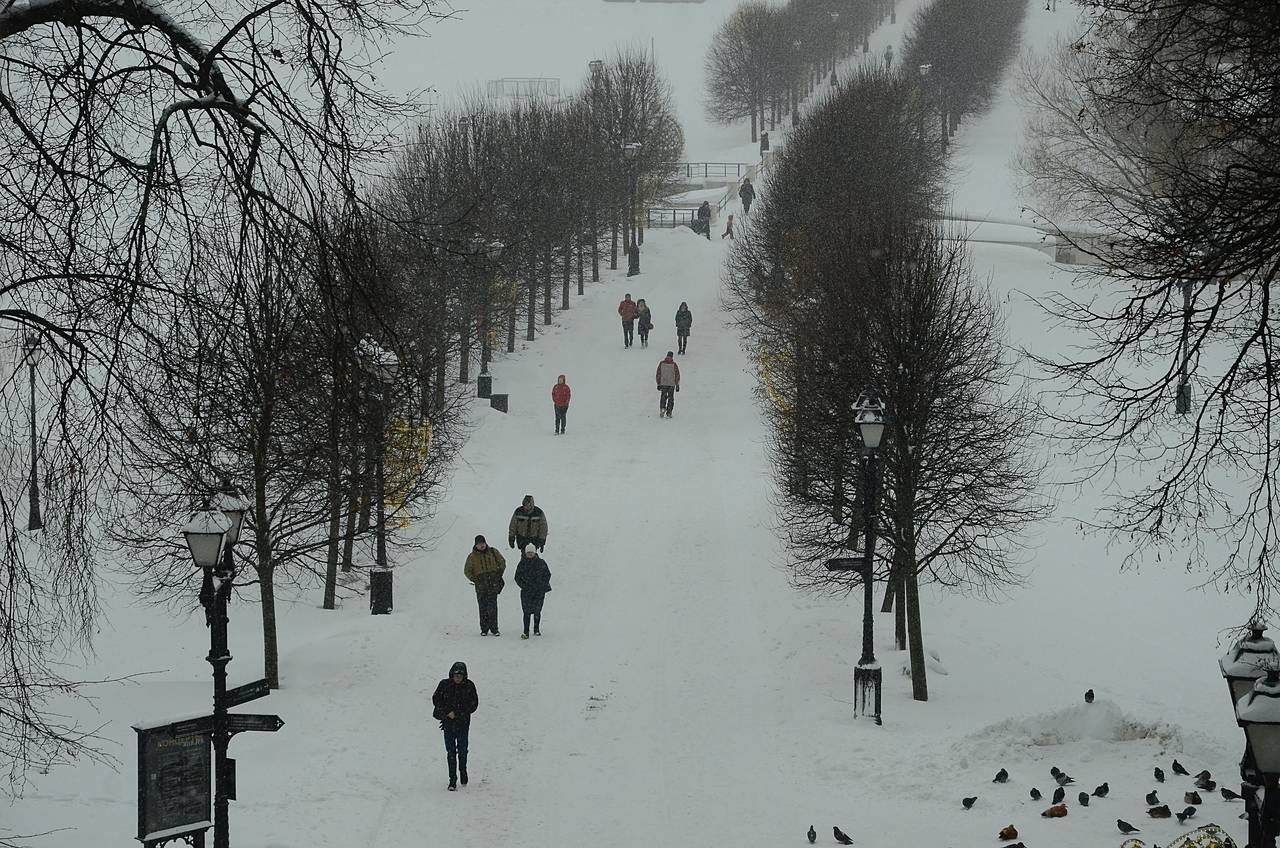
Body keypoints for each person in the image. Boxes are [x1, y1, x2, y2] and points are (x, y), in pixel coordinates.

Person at [432, 661, 478, 791]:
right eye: (456, 675)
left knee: (463, 750)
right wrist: (447, 712)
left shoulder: (469, 686)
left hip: (463, 723)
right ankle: (452, 780)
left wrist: (458, 713)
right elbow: (436, 699)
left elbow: (473, 704)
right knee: (450, 752)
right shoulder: (444, 685)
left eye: (460, 675)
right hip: (448, 724)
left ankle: (463, 770)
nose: (458, 678)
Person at [464, 535, 506, 636]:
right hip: (480, 586)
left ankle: (494, 629)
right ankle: (484, 629)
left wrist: (498, 574)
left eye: (483, 543)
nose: (481, 545)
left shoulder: (493, 552)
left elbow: (502, 562)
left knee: (493, 607)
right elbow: (467, 570)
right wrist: (475, 579)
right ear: (476, 545)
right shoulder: (471, 557)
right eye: (479, 544)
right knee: (482, 607)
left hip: (493, 584)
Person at [514, 543, 552, 639]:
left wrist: (541, 584)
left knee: (537, 611)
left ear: (535, 553)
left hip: (539, 591)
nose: (530, 554)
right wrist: (524, 585)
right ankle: (526, 631)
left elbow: (547, 574)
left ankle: (536, 629)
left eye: (531, 552)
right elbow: (517, 577)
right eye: (528, 553)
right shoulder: (522, 563)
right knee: (526, 612)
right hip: (526, 592)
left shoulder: (541, 563)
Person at [655, 350, 681, 418]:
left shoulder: (661, 363)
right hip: (671, 384)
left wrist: (658, 383)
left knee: (663, 396)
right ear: (672, 357)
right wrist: (677, 384)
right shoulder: (674, 364)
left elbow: (658, 373)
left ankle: (662, 408)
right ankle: (669, 412)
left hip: (663, 383)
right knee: (670, 398)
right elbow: (677, 375)